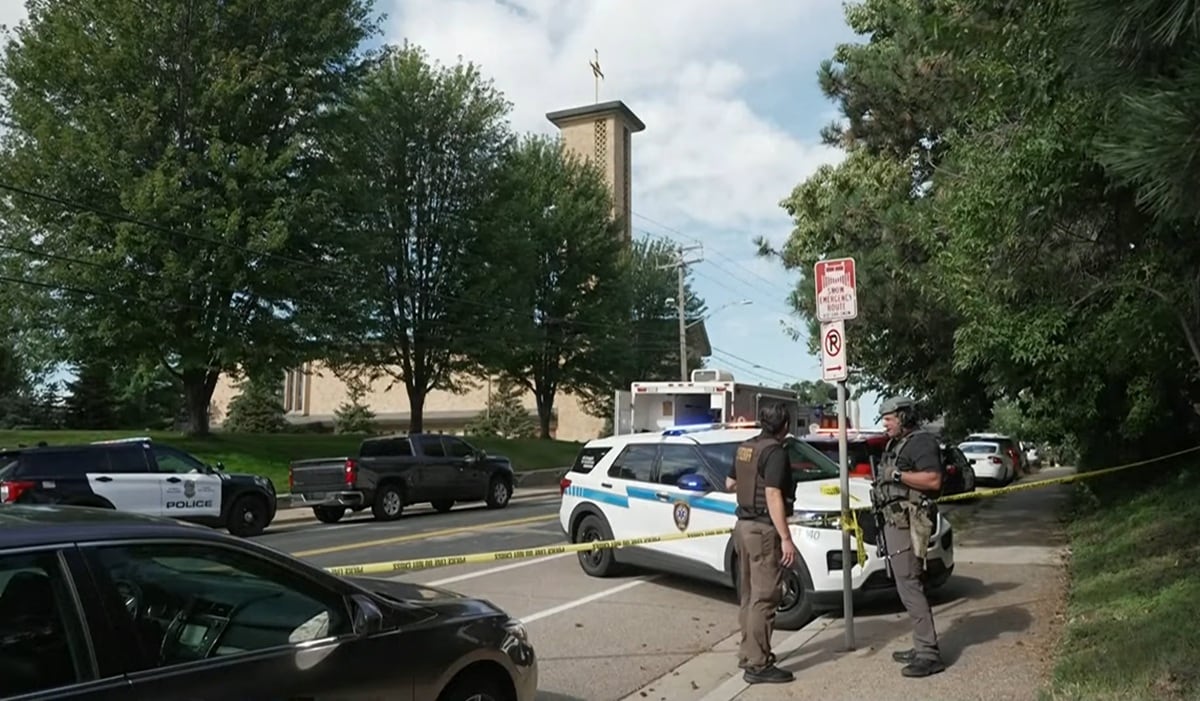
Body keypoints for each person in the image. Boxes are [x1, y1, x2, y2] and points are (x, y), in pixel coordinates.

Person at [723, 402, 797, 685]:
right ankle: (758, 664)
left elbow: (729, 483)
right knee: (765, 597)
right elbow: (774, 494)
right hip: (763, 530)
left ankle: (748, 654)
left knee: (749, 595)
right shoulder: (775, 452)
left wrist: (749, 484)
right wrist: (786, 538)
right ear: (785, 426)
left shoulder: (745, 447)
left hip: (742, 527)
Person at [874, 396, 946, 678]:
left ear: (903, 417)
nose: (885, 423)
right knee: (907, 583)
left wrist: (897, 476)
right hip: (895, 521)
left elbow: (933, 480)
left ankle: (929, 653)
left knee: (911, 584)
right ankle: (922, 646)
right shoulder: (898, 443)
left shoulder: (921, 443)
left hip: (910, 522)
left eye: (889, 418)